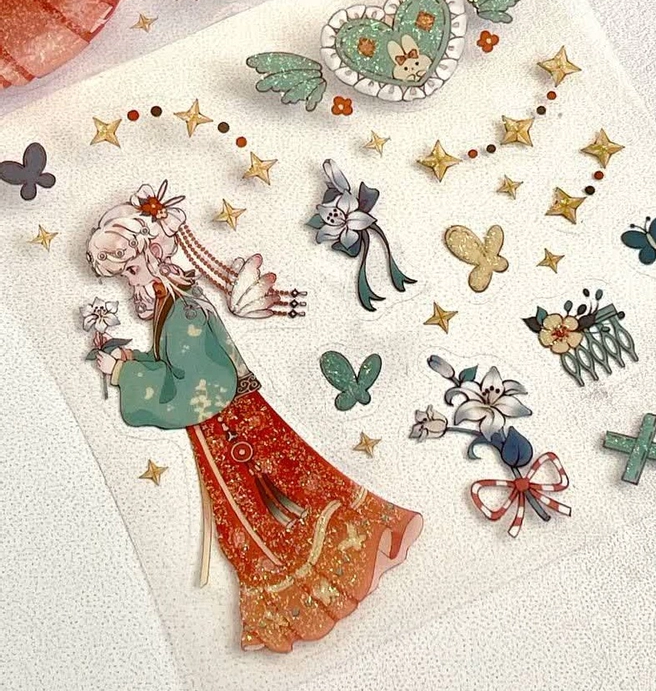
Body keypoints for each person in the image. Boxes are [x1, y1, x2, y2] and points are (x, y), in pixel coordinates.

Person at [86, 181, 423, 653]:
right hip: (228, 424)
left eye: (131, 268)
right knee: (268, 508)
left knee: (274, 504)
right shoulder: (172, 303)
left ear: (153, 252)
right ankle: (309, 587)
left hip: (231, 427)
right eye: (122, 273)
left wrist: (125, 372)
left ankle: (317, 584)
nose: (129, 280)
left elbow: (198, 385)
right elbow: (178, 369)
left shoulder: (182, 310)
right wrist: (132, 362)